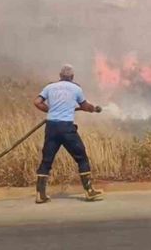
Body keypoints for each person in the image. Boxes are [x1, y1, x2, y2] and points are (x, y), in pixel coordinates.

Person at [33, 64, 103, 204]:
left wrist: (51, 111)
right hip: (66, 128)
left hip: (51, 127)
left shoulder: (50, 87)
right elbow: (84, 105)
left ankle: (40, 195)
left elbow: (37, 102)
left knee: (47, 160)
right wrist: (93, 109)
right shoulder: (76, 88)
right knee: (81, 158)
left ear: (60, 76)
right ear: (72, 77)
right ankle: (89, 191)